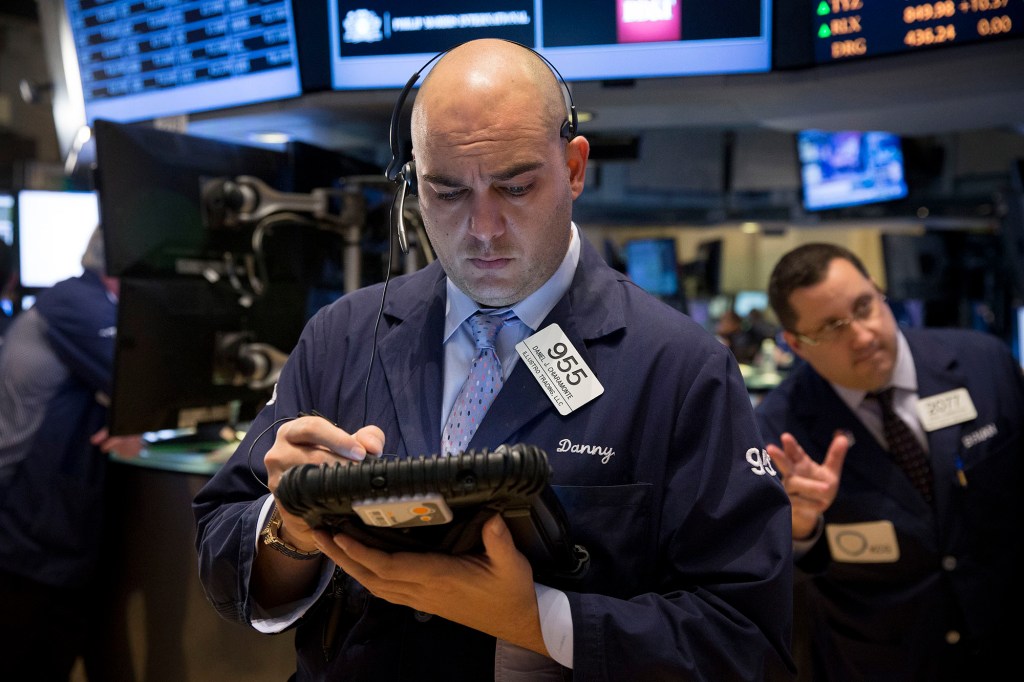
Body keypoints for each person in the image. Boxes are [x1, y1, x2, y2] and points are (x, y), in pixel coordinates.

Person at [194, 39, 796, 681]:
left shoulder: (679, 367)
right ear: (414, 184)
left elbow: (744, 640)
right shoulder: (344, 333)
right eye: (447, 193)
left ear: (573, 167)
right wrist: (290, 528)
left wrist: (535, 619)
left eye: (514, 186)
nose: (483, 228)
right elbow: (221, 547)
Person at [755, 242, 1024, 681]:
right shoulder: (777, 432)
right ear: (796, 345)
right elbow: (775, 584)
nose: (861, 335)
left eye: (865, 306)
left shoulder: (984, 362)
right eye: (831, 328)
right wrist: (801, 527)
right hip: (885, 660)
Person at [0, 224, 143, 680]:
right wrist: (130, 413)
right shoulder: (76, 302)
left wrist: (127, 418)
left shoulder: (90, 302)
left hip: (50, 526)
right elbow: (144, 384)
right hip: (28, 527)